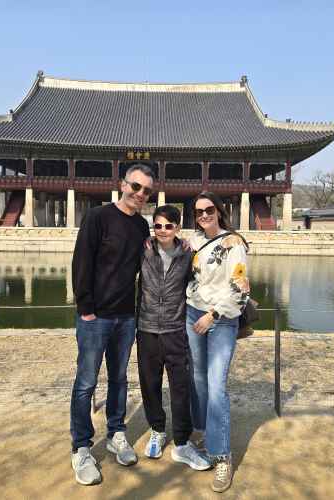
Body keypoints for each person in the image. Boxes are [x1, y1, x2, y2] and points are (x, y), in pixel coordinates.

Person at [70, 164, 154, 486]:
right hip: (96, 316)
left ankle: (116, 433)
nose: (140, 194)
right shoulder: (98, 217)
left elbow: (152, 261)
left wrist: (183, 245)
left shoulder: (143, 226)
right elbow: (81, 262)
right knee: (86, 383)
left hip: (125, 316)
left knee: (119, 379)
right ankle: (80, 447)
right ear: (123, 184)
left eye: (146, 190)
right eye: (136, 186)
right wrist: (85, 308)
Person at [136, 204, 211, 471]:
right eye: (158, 225)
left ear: (178, 228)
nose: (163, 231)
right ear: (153, 228)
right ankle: (157, 430)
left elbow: (205, 281)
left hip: (175, 330)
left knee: (180, 387)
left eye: (169, 226)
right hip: (146, 329)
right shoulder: (143, 250)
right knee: (150, 384)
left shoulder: (187, 254)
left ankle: (182, 442)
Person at [186, 191, 250, 493]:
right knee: (197, 377)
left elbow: (240, 286)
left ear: (219, 211)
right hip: (192, 313)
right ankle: (203, 431)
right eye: (198, 212)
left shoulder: (233, 243)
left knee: (216, 385)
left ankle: (222, 454)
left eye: (208, 210)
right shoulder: (195, 241)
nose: (203, 216)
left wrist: (212, 315)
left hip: (220, 319)